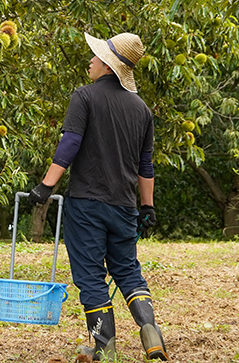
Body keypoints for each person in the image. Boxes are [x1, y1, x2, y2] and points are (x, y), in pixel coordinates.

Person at [28, 32, 169, 361]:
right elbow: (145, 165)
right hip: (124, 207)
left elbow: (70, 144)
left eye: (96, 56)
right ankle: (151, 332)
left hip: (87, 204)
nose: (90, 60)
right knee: (128, 271)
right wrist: (147, 206)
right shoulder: (142, 109)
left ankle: (104, 345)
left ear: (108, 64)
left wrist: (46, 186)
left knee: (90, 274)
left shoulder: (85, 96)